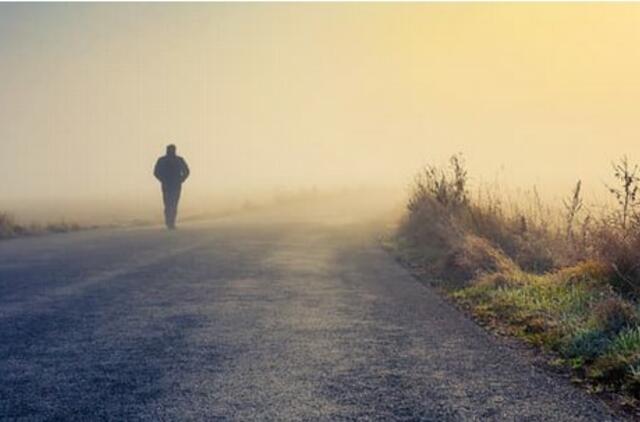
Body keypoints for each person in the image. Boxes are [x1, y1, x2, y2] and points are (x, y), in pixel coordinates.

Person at [154, 144, 190, 229]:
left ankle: (170, 222)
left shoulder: (166, 160)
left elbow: (186, 171)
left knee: (170, 204)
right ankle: (170, 222)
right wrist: (181, 179)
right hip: (171, 184)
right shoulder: (175, 160)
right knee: (171, 204)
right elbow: (156, 172)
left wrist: (181, 179)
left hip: (171, 184)